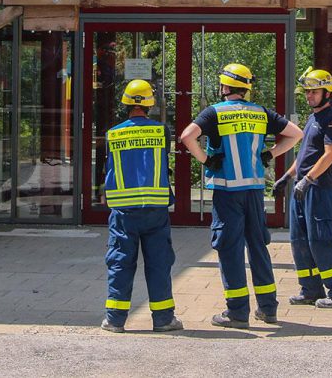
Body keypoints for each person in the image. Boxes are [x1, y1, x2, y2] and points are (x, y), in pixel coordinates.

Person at [180, 63, 303, 328]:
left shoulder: (214, 112)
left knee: (230, 248)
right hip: (254, 192)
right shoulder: (261, 113)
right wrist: (270, 154)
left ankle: (237, 313)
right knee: (258, 247)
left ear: (224, 86)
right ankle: (268, 308)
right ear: (246, 87)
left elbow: (187, 137)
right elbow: (296, 134)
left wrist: (206, 160)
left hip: (227, 192)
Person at [100, 79, 183, 333]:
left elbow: (109, 167)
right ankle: (163, 319)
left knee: (120, 262)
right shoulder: (161, 131)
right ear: (150, 104)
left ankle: (115, 320)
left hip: (124, 211)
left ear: (125, 102)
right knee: (159, 263)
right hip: (155, 210)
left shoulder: (113, 133)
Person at [279, 68, 332, 309]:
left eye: (314, 92)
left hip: (318, 189)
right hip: (302, 188)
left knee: (321, 240)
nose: (309, 96)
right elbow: (305, 155)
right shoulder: (313, 118)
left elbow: (330, 155)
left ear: (327, 92)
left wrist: (307, 180)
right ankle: (310, 289)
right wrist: (288, 176)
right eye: (307, 92)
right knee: (299, 240)